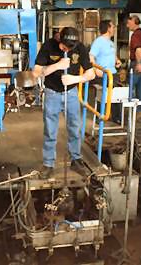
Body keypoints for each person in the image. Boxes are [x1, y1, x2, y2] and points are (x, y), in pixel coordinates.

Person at [33, 27, 96, 179]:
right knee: (50, 130)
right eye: (64, 47)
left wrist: (76, 79)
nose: (66, 49)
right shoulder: (48, 46)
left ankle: (76, 158)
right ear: (59, 39)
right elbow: (36, 72)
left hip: (71, 93)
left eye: (70, 48)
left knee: (75, 127)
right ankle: (48, 163)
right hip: (52, 93)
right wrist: (57, 66)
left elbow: (91, 73)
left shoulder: (79, 47)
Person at [89, 20, 122, 123]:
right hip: (103, 74)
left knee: (115, 96)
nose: (114, 29)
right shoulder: (99, 41)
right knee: (102, 95)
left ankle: (116, 117)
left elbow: (112, 54)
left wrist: (117, 60)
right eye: (113, 27)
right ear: (108, 28)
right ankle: (100, 117)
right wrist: (95, 69)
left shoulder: (111, 43)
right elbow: (91, 56)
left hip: (113, 73)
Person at [127, 15, 141, 115]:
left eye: (129, 23)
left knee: (130, 87)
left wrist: (138, 63)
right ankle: (140, 110)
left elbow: (138, 49)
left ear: (135, 22)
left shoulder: (135, 35)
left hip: (137, 63)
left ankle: (129, 110)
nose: (128, 26)